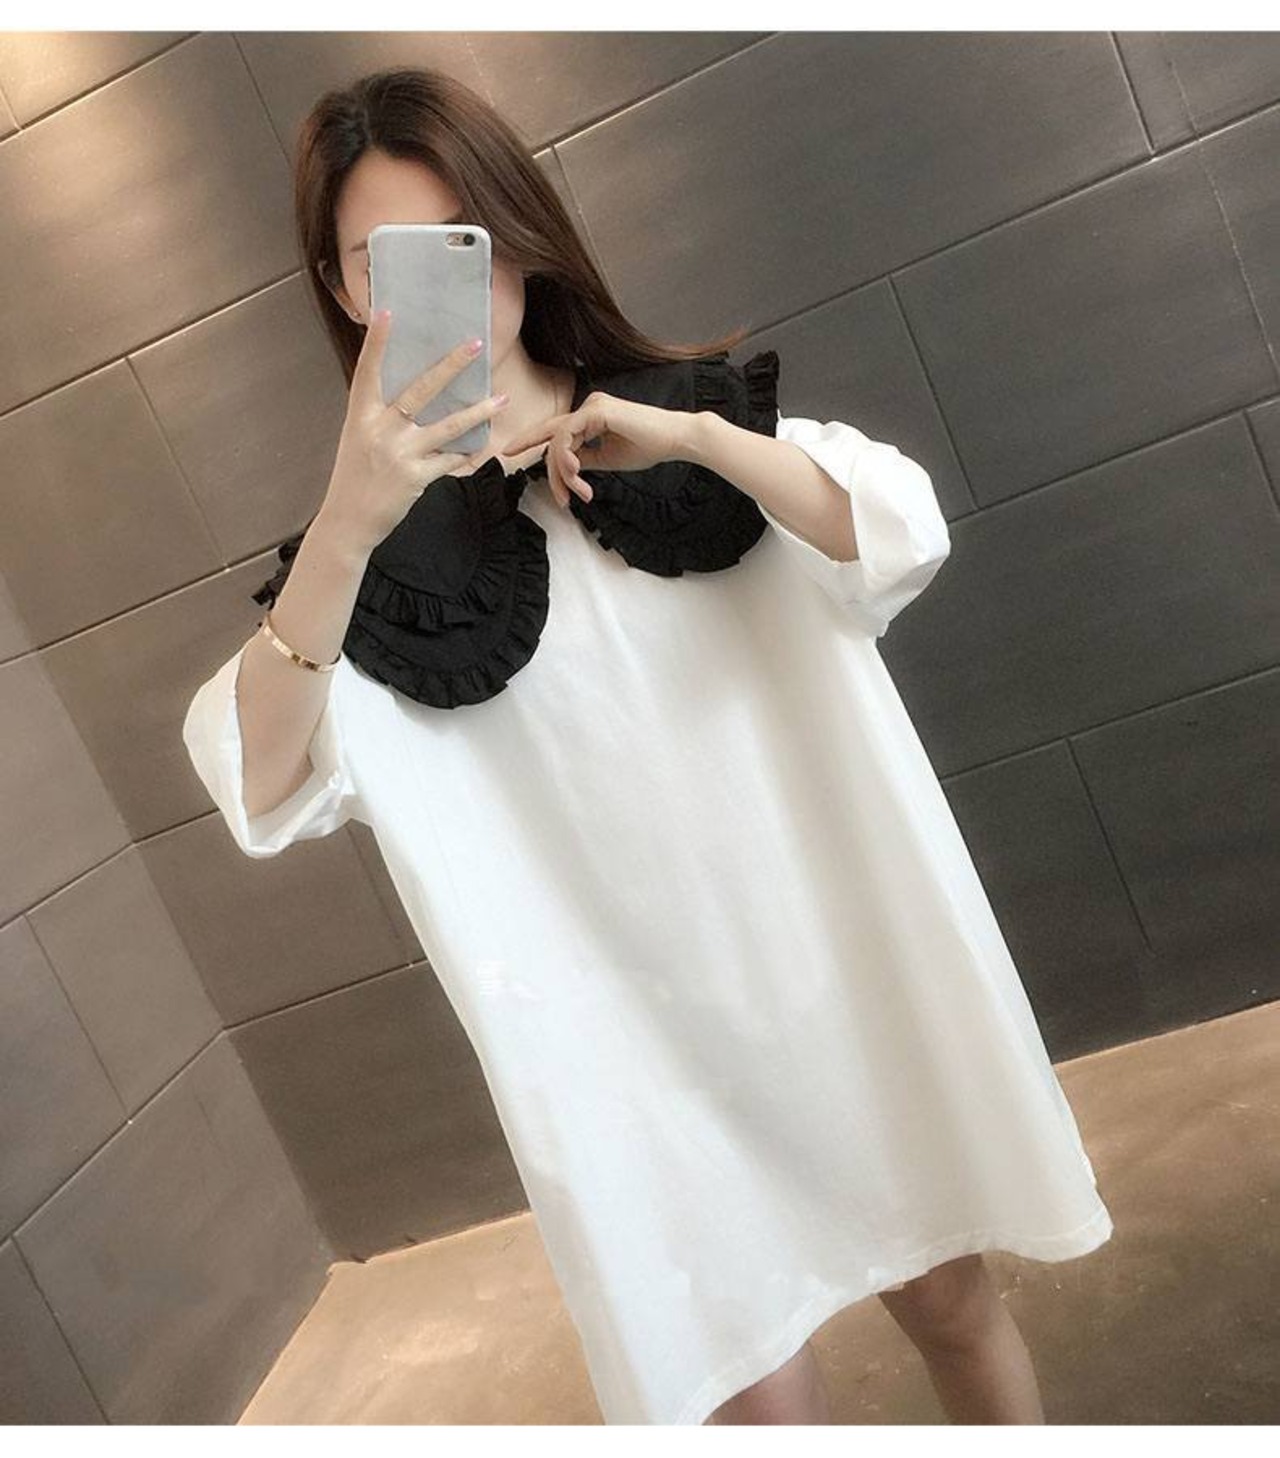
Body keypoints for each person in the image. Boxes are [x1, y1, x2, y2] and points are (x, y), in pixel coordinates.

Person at [181, 66, 1113, 1426]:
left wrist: (693, 438)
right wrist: (345, 526)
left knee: (956, 1308)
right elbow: (257, 782)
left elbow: (895, 529)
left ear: (520, 232)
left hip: (833, 969)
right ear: (340, 287)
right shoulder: (373, 575)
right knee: (761, 1412)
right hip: (639, 1064)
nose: (450, 284)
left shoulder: (684, 425)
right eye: (387, 259)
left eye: (464, 237)